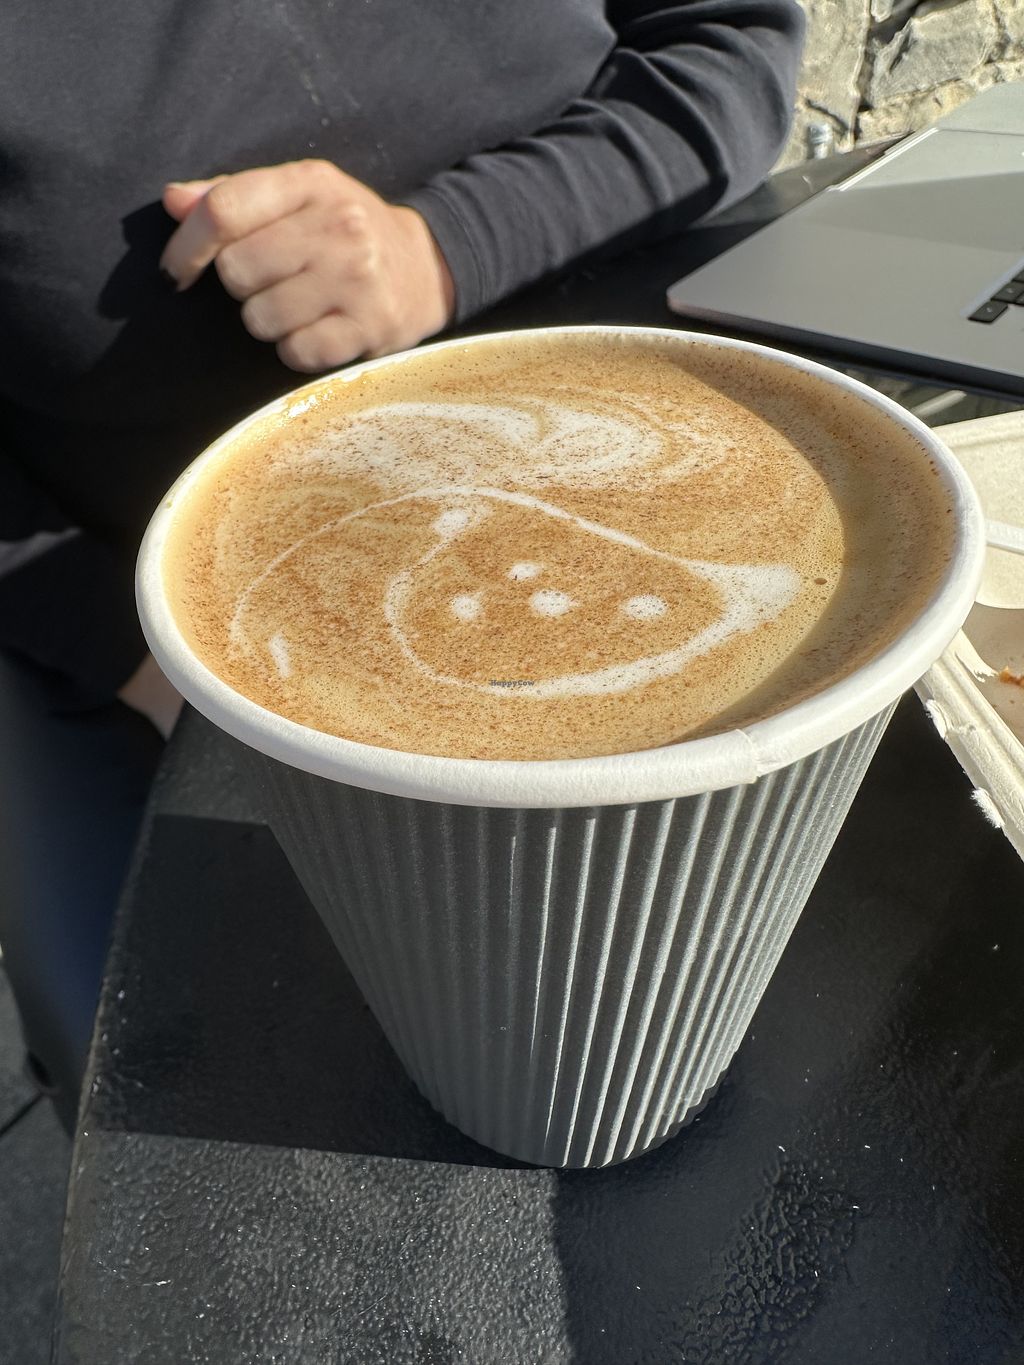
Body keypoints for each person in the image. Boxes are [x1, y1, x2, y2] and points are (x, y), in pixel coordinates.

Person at [0, 0, 805, 1122]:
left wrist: (445, 245)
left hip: (708, 433)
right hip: (247, 632)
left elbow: (738, 49)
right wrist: (124, 639)